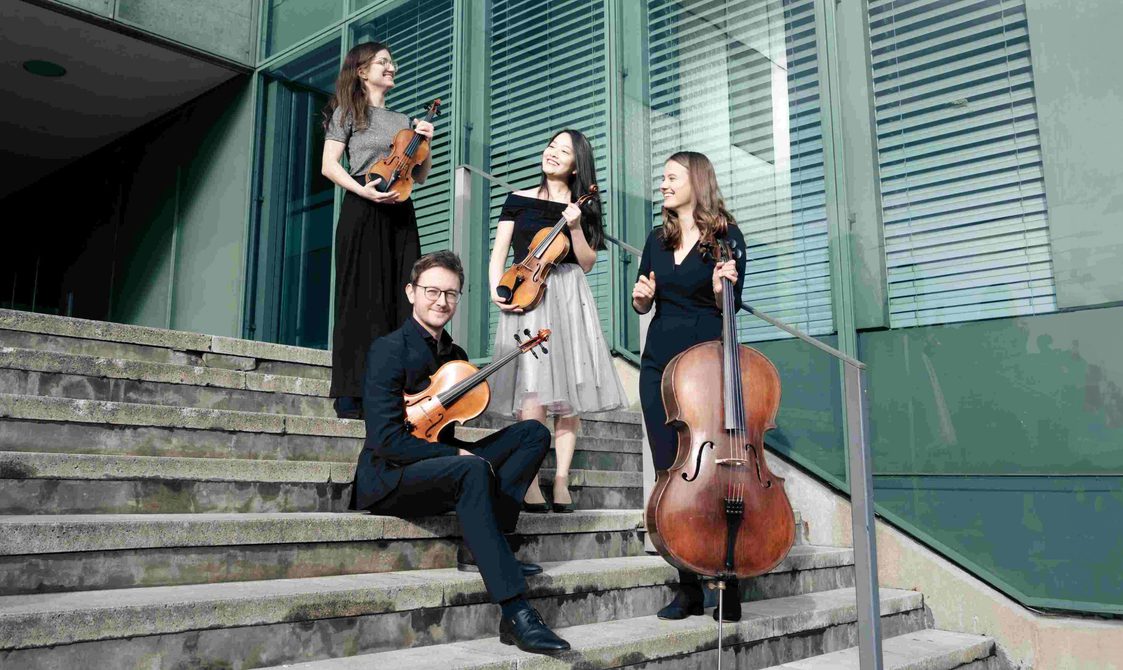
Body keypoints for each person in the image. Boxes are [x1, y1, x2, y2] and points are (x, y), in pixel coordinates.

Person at [351, 250, 571, 654]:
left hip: (437, 459)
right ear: (411, 293)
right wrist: (457, 459)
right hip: (390, 474)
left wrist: (456, 454)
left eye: (451, 294)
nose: (441, 301)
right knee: (471, 470)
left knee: (532, 434)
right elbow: (385, 440)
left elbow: (448, 432)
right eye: (432, 291)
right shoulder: (388, 350)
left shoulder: (457, 358)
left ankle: (489, 544)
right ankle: (517, 613)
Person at [631, 151, 747, 622]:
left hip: (705, 367)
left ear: (696, 182)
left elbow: (733, 304)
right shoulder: (658, 239)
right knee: (669, 477)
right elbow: (643, 300)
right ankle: (687, 586)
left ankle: (729, 580)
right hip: (659, 366)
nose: (663, 184)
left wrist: (724, 292)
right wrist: (640, 300)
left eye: (671, 177)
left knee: (716, 477)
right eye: (662, 178)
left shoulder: (726, 235)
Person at [487, 129, 627, 513]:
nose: (552, 153)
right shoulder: (517, 199)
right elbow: (499, 253)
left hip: (568, 297)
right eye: (551, 146)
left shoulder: (583, 208)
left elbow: (586, 262)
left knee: (569, 390)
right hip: (528, 294)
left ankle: (561, 478)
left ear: (575, 164)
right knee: (532, 390)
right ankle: (530, 479)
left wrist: (577, 225)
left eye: (563, 151)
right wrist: (496, 292)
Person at [322, 41, 435, 419]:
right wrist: (362, 189)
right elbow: (329, 165)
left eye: (392, 61)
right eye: (383, 62)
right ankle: (353, 393)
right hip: (362, 205)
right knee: (360, 299)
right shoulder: (348, 111)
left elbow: (419, 174)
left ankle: (395, 390)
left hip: (400, 210)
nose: (392, 67)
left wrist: (427, 143)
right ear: (362, 70)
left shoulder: (405, 121)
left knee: (404, 297)